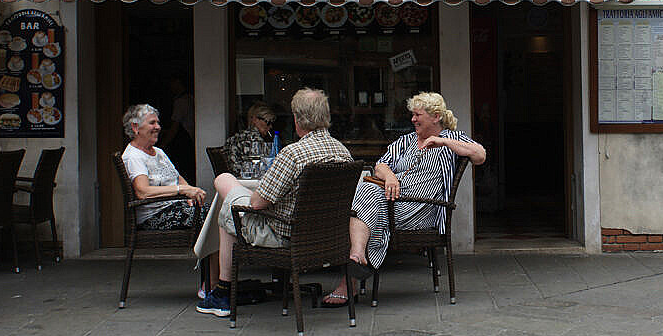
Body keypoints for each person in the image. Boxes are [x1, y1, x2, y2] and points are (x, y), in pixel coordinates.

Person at [322, 92, 485, 306]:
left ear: (436, 117)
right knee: (367, 193)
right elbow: (380, 165)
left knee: (365, 198)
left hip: (422, 210)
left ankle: (351, 276)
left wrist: (442, 141)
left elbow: (480, 155)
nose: (413, 119)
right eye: (413, 115)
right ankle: (356, 258)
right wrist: (389, 176)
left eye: (418, 115)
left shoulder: (452, 139)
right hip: (393, 202)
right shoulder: (407, 140)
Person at [200, 88, 352, 317]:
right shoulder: (343, 152)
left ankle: (222, 291)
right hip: (327, 238)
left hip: (285, 236)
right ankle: (221, 289)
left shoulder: (293, 154)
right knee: (231, 196)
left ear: (297, 119)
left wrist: (240, 194)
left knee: (227, 200)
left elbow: (258, 203)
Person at [121, 104, 207, 232]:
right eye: (152, 123)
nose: (158, 127)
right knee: (211, 217)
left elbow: (177, 177)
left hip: (175, 207)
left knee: (217, 213)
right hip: (154, 216)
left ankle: (213, 252)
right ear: (135, 127)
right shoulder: (134, 156)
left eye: (158, 123)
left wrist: (190, 193)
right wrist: (181, 190)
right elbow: (142, 192)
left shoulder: (159, 152)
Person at [222, 101, 278, 178]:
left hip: (231, 179)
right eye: (268, 122)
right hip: (244, 180)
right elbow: (259, 168)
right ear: (255, 120)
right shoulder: (254, 139)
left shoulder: (237, 136)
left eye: (272, 123)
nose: (270, 126)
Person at [160, 76, 196, 182]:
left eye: (172, 82)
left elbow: (175, 126)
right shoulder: (191, 98)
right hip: (191, 139)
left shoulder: (182, 101)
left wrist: (164, 144)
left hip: (184, 142)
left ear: (178, 82)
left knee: (183, 170)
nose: (171, 86)